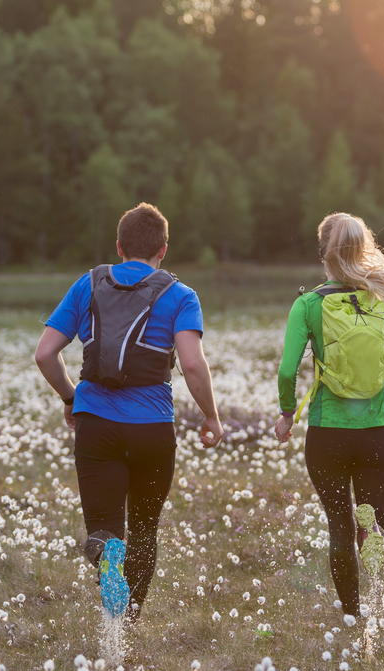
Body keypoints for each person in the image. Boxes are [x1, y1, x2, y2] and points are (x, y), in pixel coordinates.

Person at [35, 202, 224, 619]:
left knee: (105, 530)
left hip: (96, 426)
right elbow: (192, 364)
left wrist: (71, 397)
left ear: (119, 247)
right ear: (164, 249)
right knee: (143, 531)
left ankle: (105, 557)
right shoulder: (180, 295)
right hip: (152, 430)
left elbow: (45, 353)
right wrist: (211, 416)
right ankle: (128, 622)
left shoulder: (86, 285)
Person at [275, 212, 384, 617]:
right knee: (374, 527)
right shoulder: (381, 300)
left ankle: (351, 615)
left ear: (323, 250)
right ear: (363, 249)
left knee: (339, 526)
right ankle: (376, 608)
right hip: (377, 432)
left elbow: (288, 369)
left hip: (327, 434)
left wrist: (287, 414)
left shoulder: (307, 305)